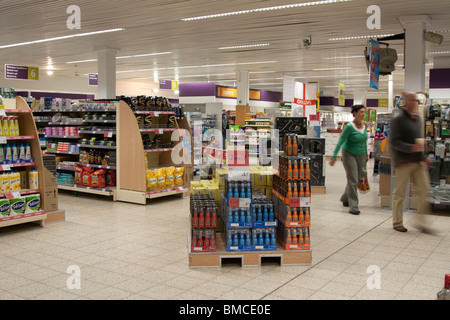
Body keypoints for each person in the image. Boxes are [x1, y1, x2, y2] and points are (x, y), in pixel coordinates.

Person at [389, 92, 434, 233]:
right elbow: (394, 142)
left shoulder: (419, 119)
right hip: (403, 162)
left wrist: (424, 157)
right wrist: (410, 148)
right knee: (400, 193)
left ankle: (421, 222)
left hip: (417, 161)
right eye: (412, 100)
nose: (414, 103)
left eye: (416, 101)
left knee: (425, 188)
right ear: (405, 102)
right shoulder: (398, 120)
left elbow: (418, 142)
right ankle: (397, 222)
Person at [330, 105, 369, 215]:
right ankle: (353, 206)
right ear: (355, 113)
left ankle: (345, 198)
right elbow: (340, 141)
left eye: (364, 112)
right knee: (353, 180)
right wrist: (333, 156)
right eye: (361, 112)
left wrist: (366, 154)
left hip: (361, 155)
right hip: (349, 154)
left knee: (355, 180)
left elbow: (364, 141)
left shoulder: (364, 126)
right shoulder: (349, 127)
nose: (363, 114)